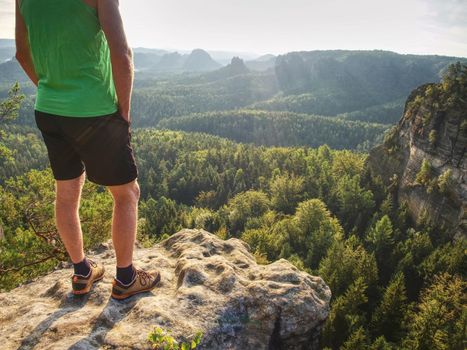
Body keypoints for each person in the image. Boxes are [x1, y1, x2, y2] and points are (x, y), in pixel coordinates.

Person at [15, 0, 160, 300]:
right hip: (95, 110)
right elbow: (122, 55)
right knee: (127, 194)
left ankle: (82, 273)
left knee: (66, 193)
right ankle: (126, 278)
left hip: (49, 110)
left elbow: (22, 53)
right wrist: (124, 112)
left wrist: (49, 88)